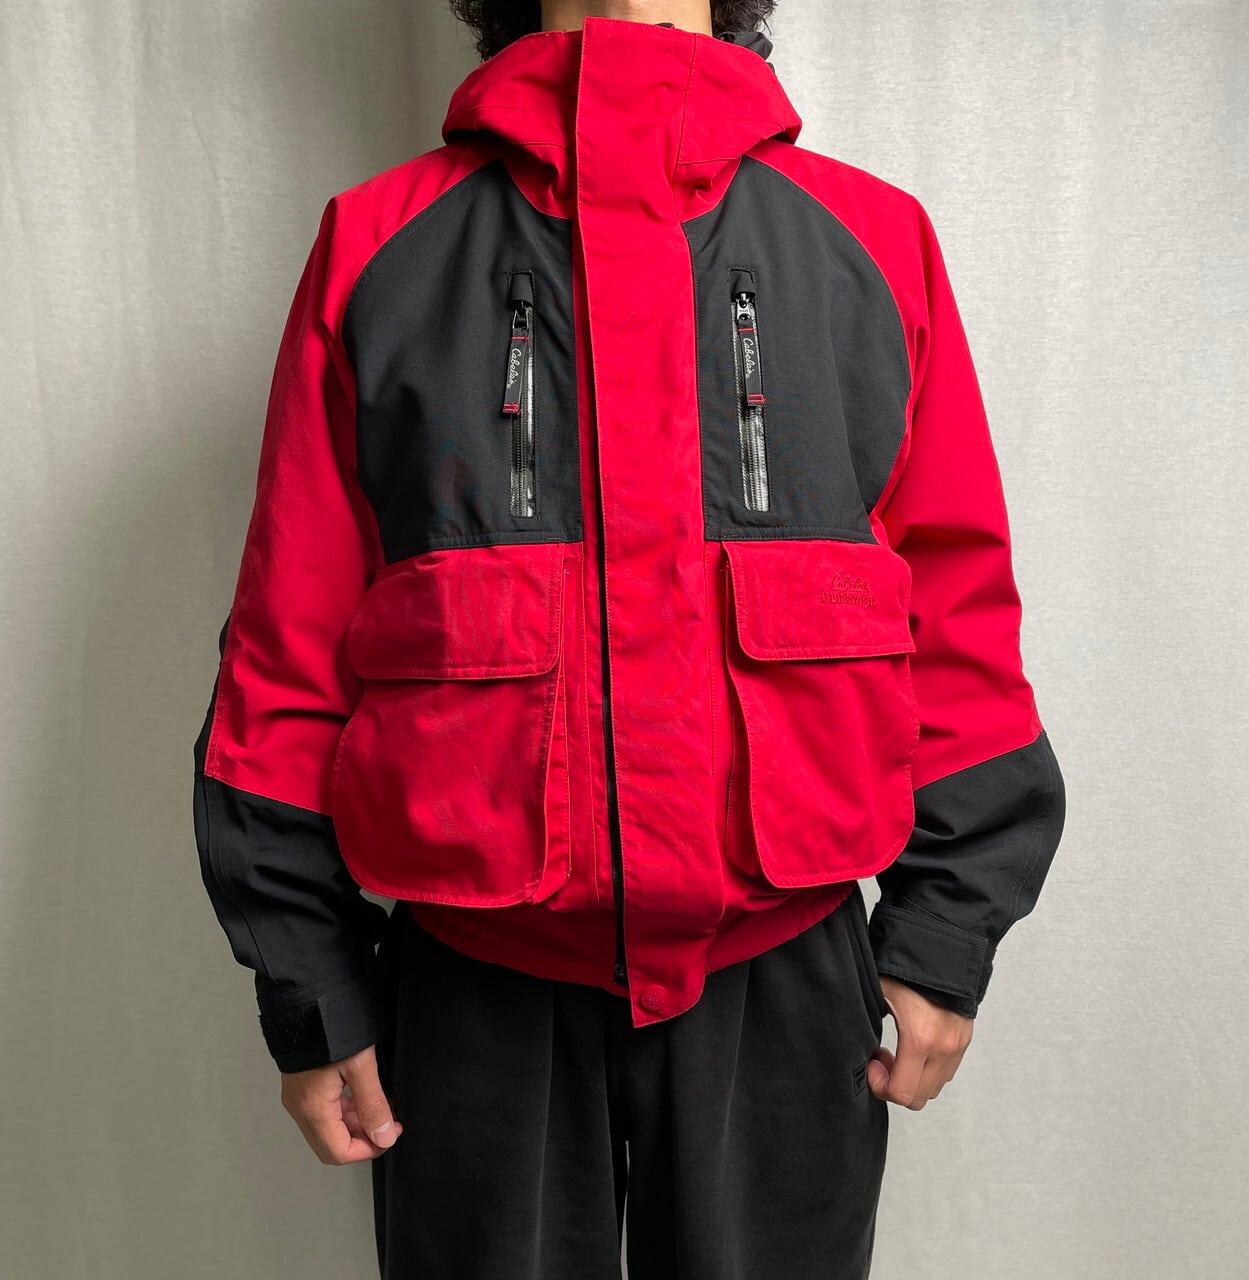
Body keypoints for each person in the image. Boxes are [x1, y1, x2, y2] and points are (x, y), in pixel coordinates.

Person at [191, 2, 1067, 1276]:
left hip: (781, 972)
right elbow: (292, 631)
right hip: (473, 982)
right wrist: (309, 972)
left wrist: (946, 925)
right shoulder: (379, 243)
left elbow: (955, 610)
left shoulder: (870, 239)